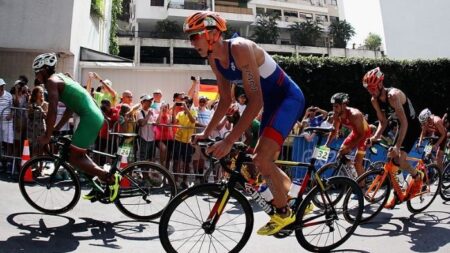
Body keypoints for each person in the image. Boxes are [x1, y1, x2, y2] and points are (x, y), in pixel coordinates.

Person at [185, 11, 305, 235]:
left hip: (287, 98)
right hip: (271, 102)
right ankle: (300, 202)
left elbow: (255, 100)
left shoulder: (240, 48)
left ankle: (284, 214)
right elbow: (226, 100)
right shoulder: (214, 59)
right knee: (261, 160)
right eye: (190, 38)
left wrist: (229, 140)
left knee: (261, 159)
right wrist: (206, 132)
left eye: (194, 36)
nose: (192, 43)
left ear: (211, 34)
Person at [32, 53, 121, 202]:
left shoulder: (51, 81)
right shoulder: (61, 78)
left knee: (74, 158)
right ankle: (99, 181)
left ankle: (110, 178)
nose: (36, 75)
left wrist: (47, 136)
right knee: (78, 155)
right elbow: (69, 108)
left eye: (37, 71)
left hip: (90, 118)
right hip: (93, 116)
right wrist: (56, 128)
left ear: (44, 69)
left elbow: (52, 109)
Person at [363, 67, 423, 209]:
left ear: (379, 84)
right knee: (392, 161)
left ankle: (417, 176)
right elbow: (383, 122)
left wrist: (397, 146)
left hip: (411, 126)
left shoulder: (393, 96)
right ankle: (398, 193)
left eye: (372, 88)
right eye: (368, 89)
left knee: (399, 159)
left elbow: (405, 122)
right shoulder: (374, 100)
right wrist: (374, 137)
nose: (370, 91)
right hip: (401, 126)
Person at [325, 93, 372, 178]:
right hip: (355, 132)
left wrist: (350, 147)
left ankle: (362, 187)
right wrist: (326, 144)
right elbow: (334, 131)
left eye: (336, 106)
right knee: (340, 154)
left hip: (364, 134)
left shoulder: (355, 115)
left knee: (357, 163)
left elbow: (361, 134)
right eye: (333, 106)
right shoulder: (337, 115)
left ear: (343, 105)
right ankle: (354, 175)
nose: (334, 109)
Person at [27, 86, 48, 157]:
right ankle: (34, 164)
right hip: (32, 127)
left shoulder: (45, 104)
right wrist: (33, 110)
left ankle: (41, 166)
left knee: (41, 147)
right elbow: (29, 115)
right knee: (33, 146)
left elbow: (45, 116)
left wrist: (40, 109)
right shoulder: (31, 103)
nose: (42, 94)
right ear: (36, 93)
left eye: (42, 92)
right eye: (40, 92)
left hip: (41, 127)